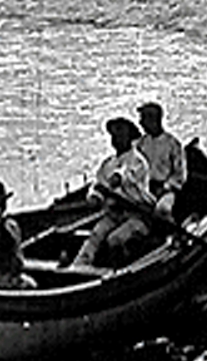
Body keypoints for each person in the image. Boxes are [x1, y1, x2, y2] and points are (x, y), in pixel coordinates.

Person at [70, 118, 156, 267]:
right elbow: (98, 184)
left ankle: (119, 270)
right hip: (114, 215)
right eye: (114, 135)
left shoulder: (139, 162)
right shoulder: (107, 164)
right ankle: (78, 267)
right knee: (95, 235)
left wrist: (117, 179)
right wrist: (94, 197)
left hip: (138, 216)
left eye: (121, 135)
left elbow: (127, 175)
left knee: (115, 239)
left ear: (130, 138)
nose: (117, 139)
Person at [136, 102, 186, 220]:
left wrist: (165, 187)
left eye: (143, 119)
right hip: (144, 187)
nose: (140, 123)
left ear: (154, 120)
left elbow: (180, 175)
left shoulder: (172, 144)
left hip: (166, 190)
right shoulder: (141, 143)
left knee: (162, 210)